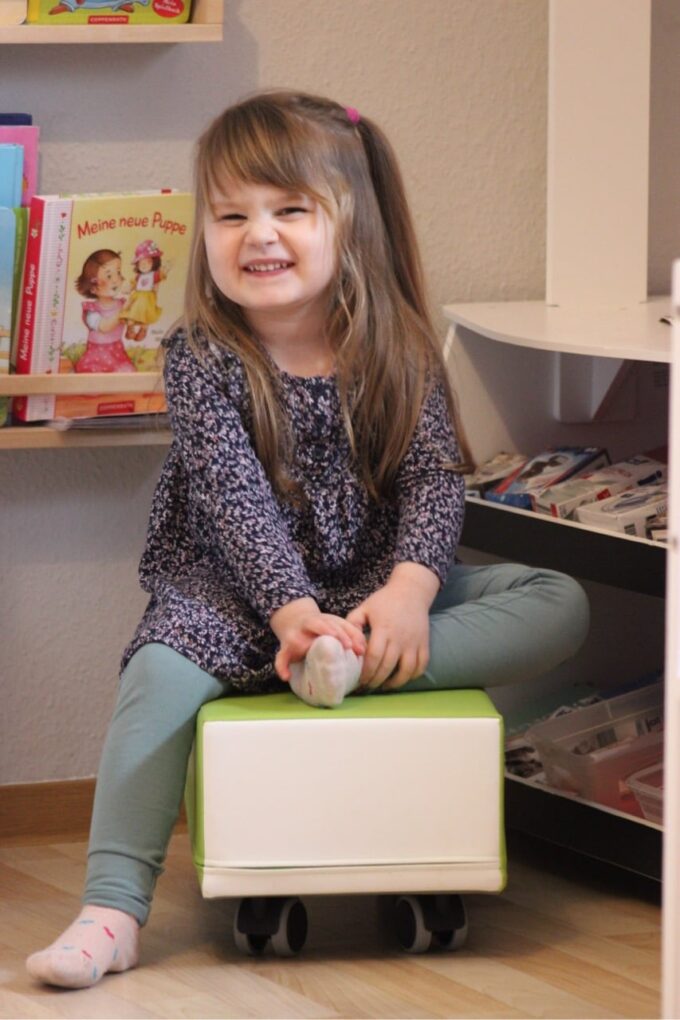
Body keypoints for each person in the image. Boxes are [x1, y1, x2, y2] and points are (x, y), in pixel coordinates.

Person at [26, 90, 589, 989]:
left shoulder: (400, 347)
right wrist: (290, 612)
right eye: (231, 215)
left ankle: (351, 666)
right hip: (235, 598)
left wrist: (408, 593)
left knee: (557, 600)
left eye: (289, 209)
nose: (259, 235)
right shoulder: (202, 356)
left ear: (349, 222)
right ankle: (112, 908)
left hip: (372, 586)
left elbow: (433, 479)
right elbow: (234, 502)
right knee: (157, 674)